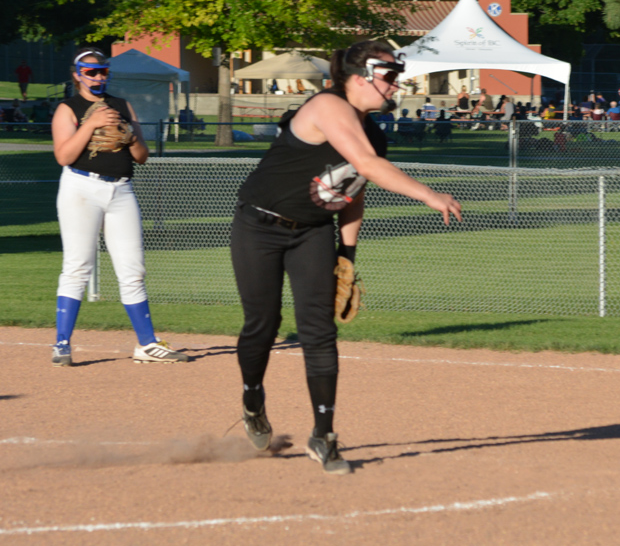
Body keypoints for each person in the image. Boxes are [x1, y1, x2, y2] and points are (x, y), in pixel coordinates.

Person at [230, 40, 461, 473]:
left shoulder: (371, 132)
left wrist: (347, 254)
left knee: (318, 331)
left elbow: (353, 191)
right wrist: (429, 194)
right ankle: (252, 396)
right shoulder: (327, 106)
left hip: (313, 232)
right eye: (390, 77)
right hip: (258, 225)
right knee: (263, 324)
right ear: (359, 78)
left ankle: (324, 436)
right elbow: (366, 164)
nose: (396, 86)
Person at [49, 48, 187, 366]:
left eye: (103, 71)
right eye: (91, 71)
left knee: (133, 269)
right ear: (77, 74)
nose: (98, 77)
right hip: (81, 187)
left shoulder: (122, 106)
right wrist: (91, 123)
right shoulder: (67, 108)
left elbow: (141, 155)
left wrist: (128, 135)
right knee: (77, 266)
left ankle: (147, 344)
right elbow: (63, 156)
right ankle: (62, 343)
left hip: (121, 190)